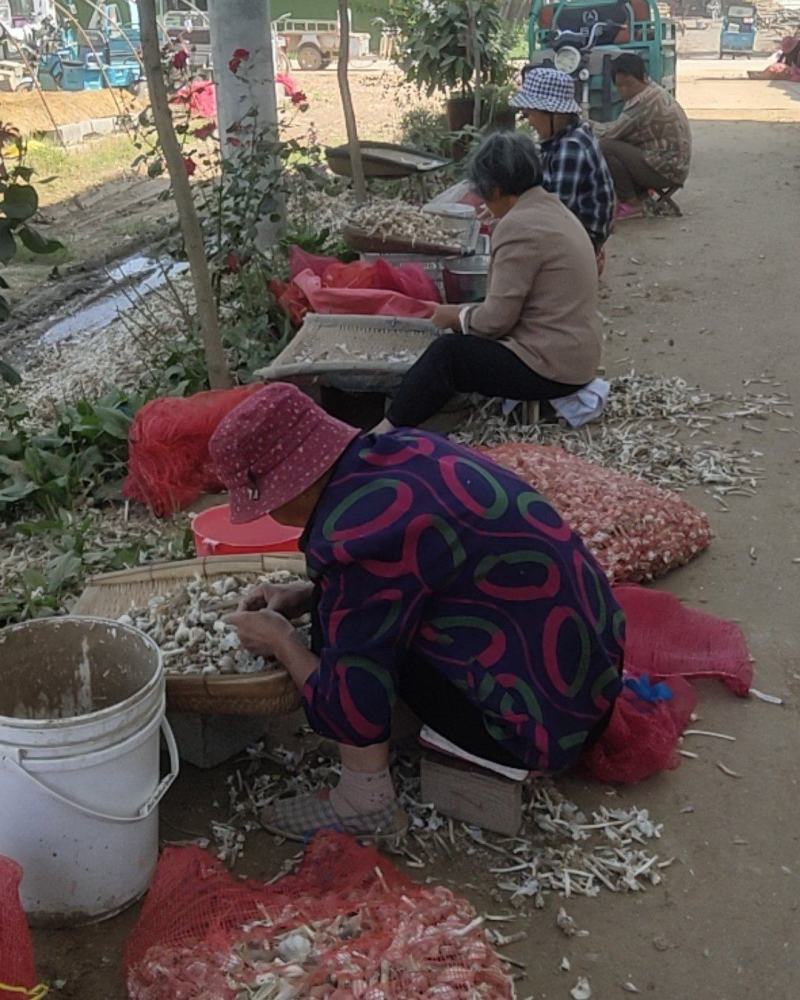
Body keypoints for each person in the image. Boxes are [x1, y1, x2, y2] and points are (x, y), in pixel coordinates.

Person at [212, 383, 625, 841]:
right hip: (590, 680)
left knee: (333, 643)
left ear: (293, 486)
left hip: (539, 727)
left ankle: (364, 803)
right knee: (337, 608)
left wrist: (279, 640)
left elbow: (345, 703)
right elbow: (424, 567)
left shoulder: (358, 542)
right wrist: (308, 592)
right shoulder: (406, 448)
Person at [372, 131, 602, 433]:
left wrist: (455, 315)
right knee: (462, 336)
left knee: (449, 354)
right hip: (579, 354)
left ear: (493, 188)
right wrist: (465, 313)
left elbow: (495, 321)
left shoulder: (519, 226)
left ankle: (383, 433)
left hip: (552, 369)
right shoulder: (552, 208)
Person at [510, 66, 615, 253]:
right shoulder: (568, 133)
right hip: (573, 225)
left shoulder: (571, 147)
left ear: (554, 114)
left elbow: (554, 211)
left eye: (532, 114)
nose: (530, 122)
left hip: (583, 236)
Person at [595, 53, 691, 218]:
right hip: (675, 166)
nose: (624, 90)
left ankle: (631, 202)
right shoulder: (655, 92)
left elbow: (611, 133)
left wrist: (585, 125)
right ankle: (639, 197)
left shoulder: (642, 102)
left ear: (643, 78)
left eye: (629, 84)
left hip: (667, 171)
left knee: (605, 147)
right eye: (620, 86)